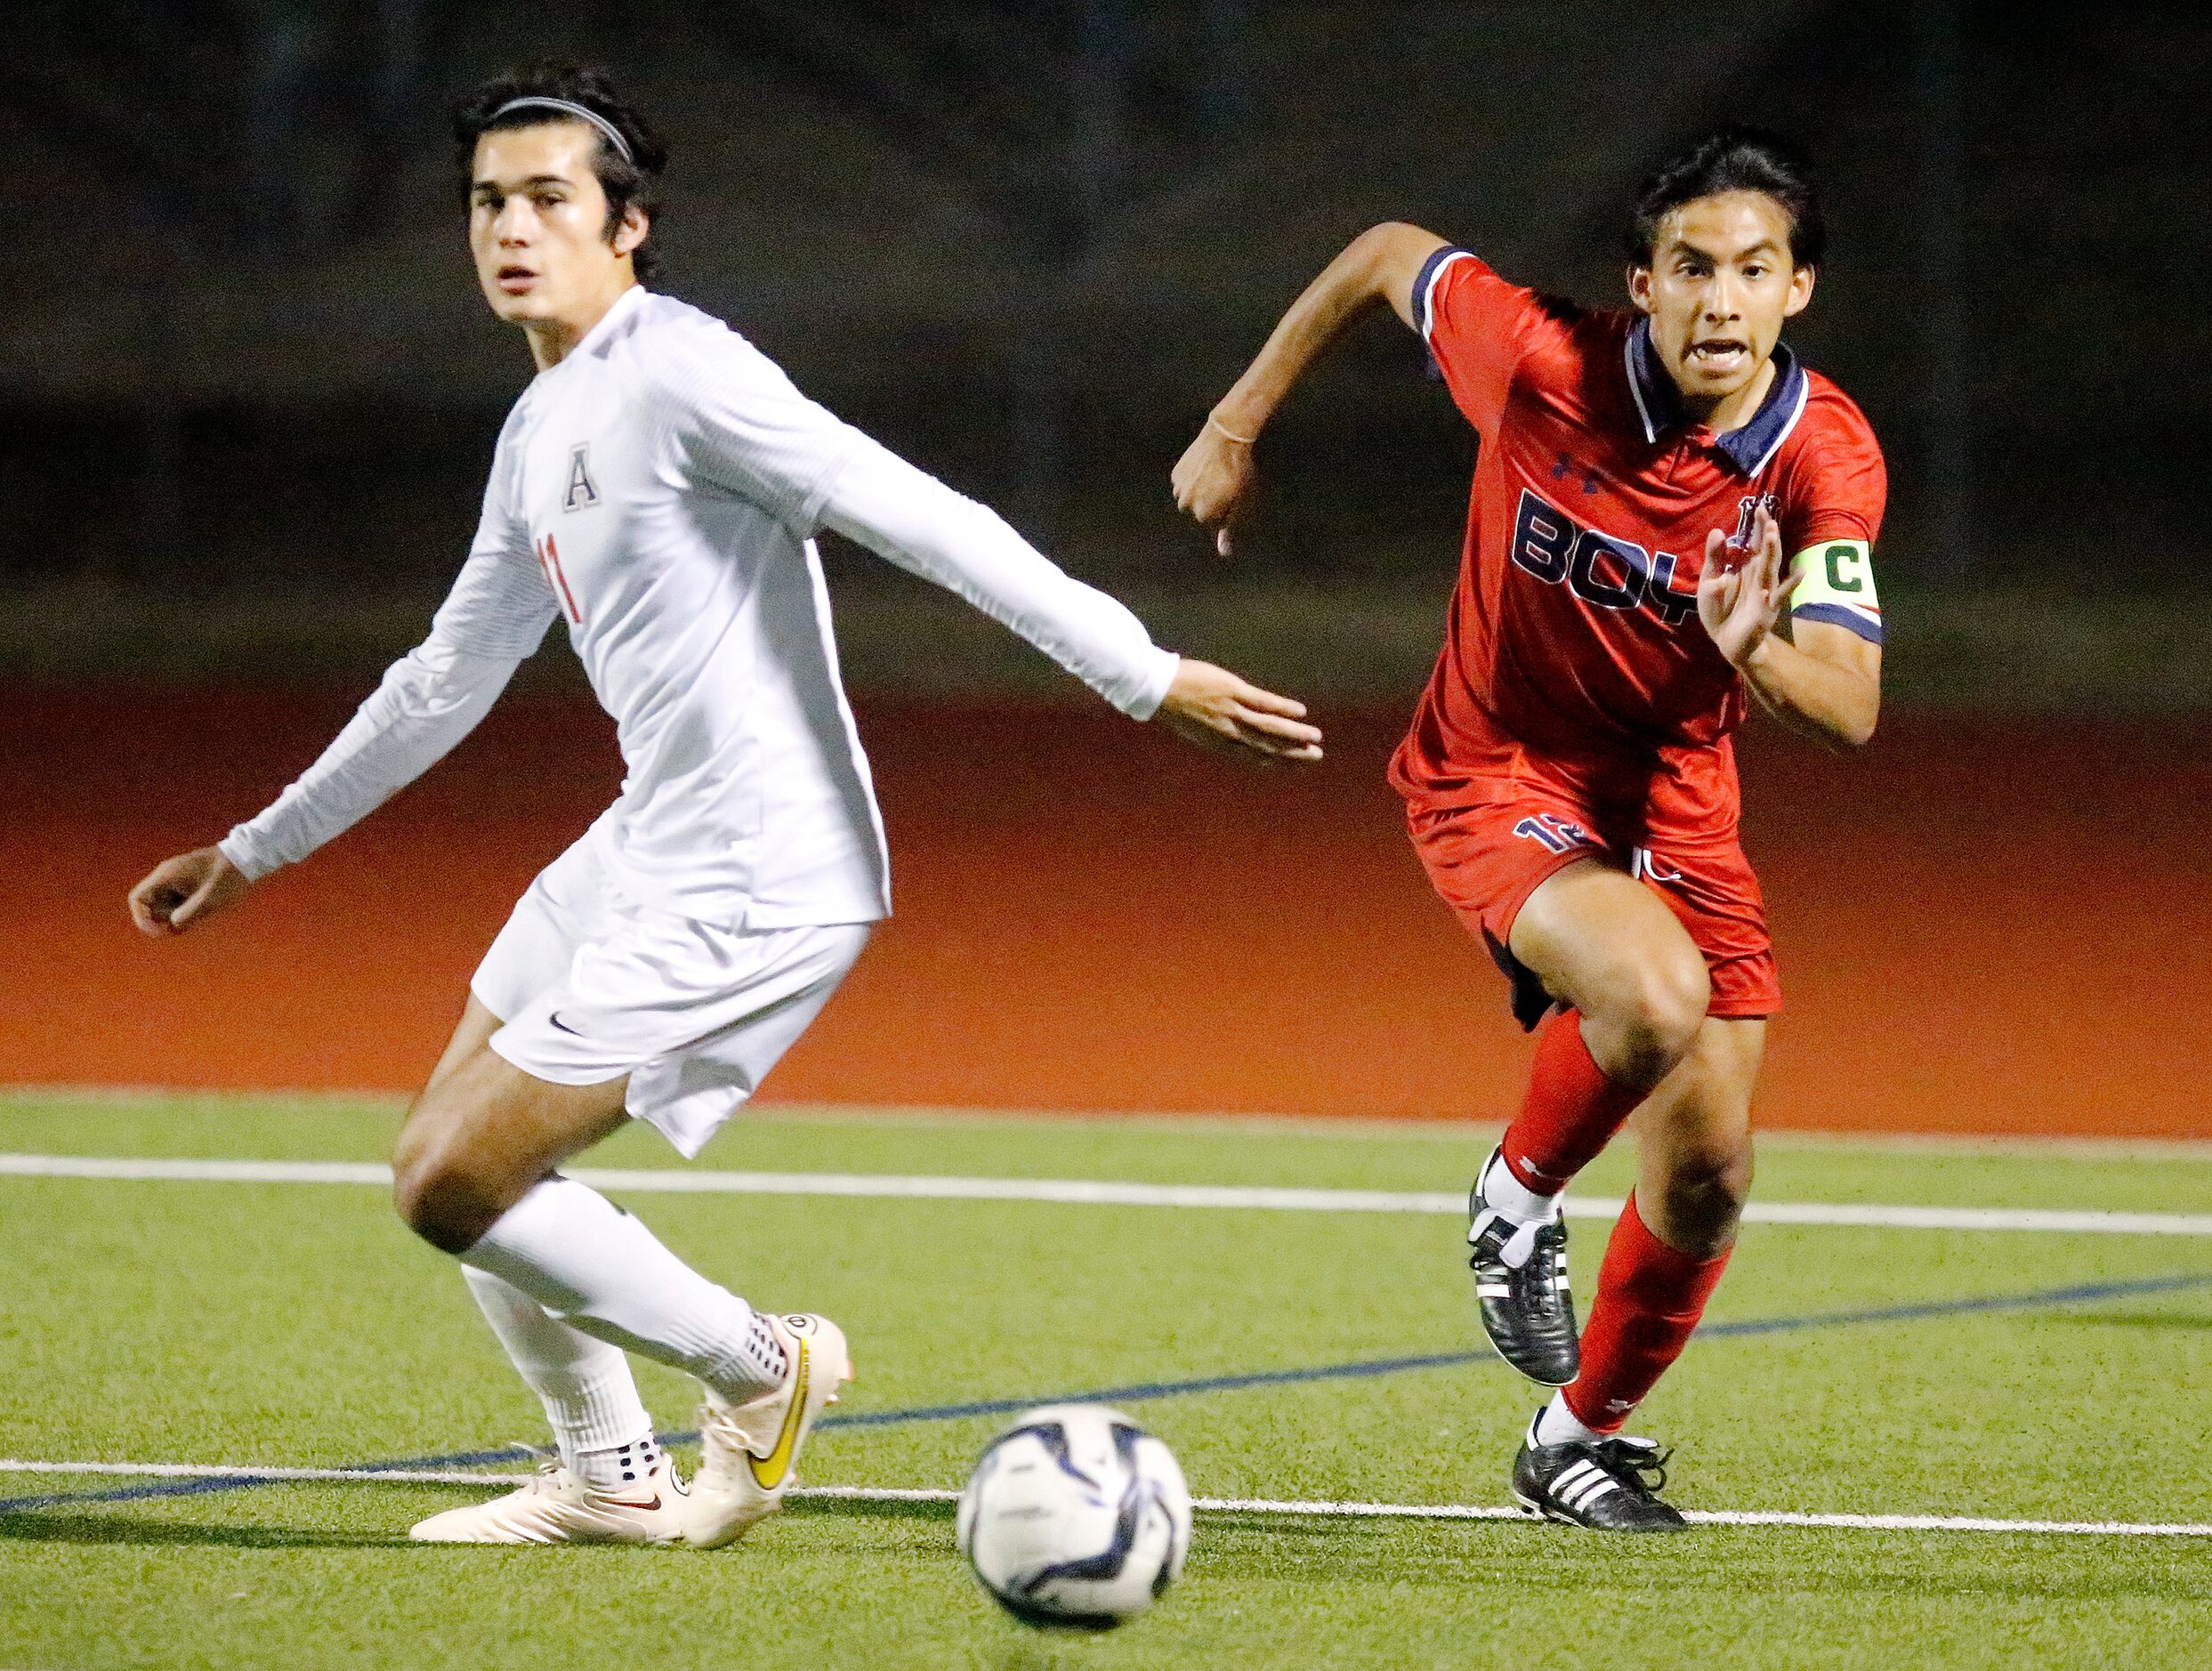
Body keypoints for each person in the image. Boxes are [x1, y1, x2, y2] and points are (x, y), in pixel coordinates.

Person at [128, 64, 1322, 1550]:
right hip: (650, 836)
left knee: (449, 1181)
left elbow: (917, 511)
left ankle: (766, 1369)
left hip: (758, 868)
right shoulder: (541, 423)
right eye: (489, 202)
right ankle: (611, 1476)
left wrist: (1140, 673)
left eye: (550, 199)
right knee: (470, 1141)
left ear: (627, 226)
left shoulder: (684, 371)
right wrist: (257, 848)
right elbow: (448, 674)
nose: (513, 228)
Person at [1173, 127, 1883, 1530]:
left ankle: (1571, 1439)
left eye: (1753, 270)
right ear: (1643, 279)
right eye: (1690, 268)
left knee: (1708, 1172)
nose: (1719, 302)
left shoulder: (1822, 457)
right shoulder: (1544, 359)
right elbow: (1384, 254)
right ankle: (1515, 1197)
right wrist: (1235, 421)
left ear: (1797, 290)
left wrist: (1751, 647)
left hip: (1677, 803)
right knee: (1651, 992)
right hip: (1493, 768)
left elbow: (1851, 706)